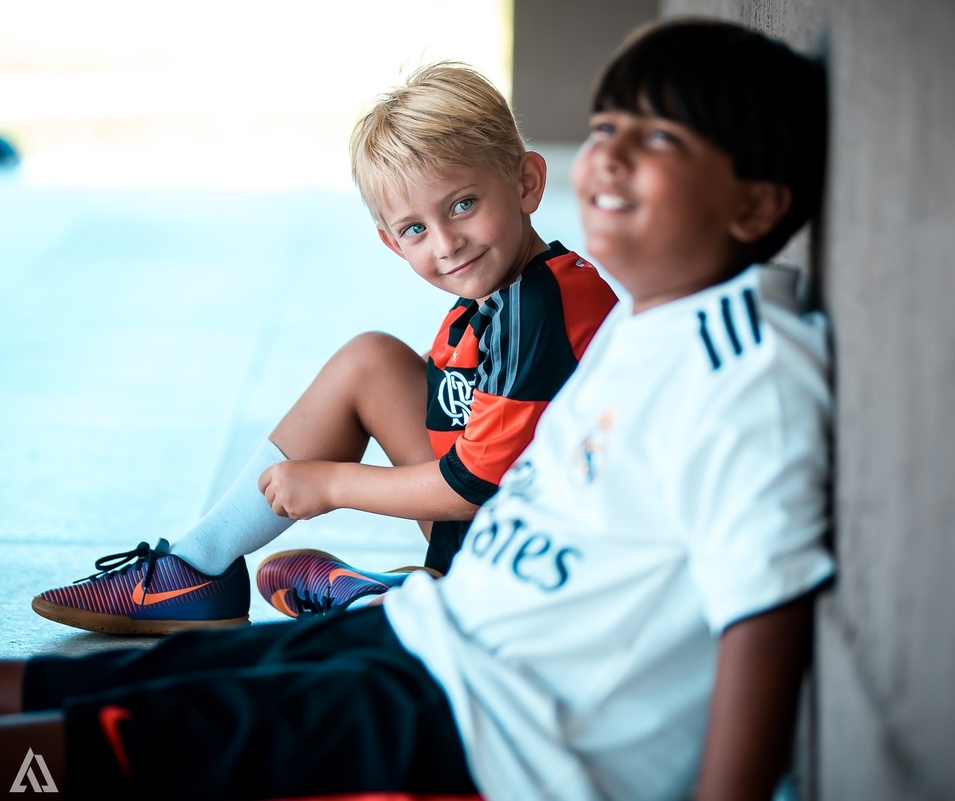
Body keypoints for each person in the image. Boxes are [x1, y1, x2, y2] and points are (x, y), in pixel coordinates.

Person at [0, 17, 833, 801]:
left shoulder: (747, 370)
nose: (609, 156)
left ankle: (367, 592)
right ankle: (304, 587)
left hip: (488, 724)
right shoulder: (649, 327)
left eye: (657, 139)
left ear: (754, 204)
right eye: (607, 126)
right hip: (440, 632)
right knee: (85, 683)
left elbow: (761, 620)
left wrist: (327, 483)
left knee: (111, 745)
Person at [28, 62, 618, 635]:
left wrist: (330, 483)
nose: (447, 243)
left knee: (394, 410)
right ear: (391, 243)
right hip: (521, 529)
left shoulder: (540, 306)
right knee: (373, 360)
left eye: (463, 204)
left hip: (569, 578)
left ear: (526, 183)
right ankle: (202, 567)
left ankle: (415, 602)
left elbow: (472, 487)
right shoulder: (496, 300)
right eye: (415, 228)